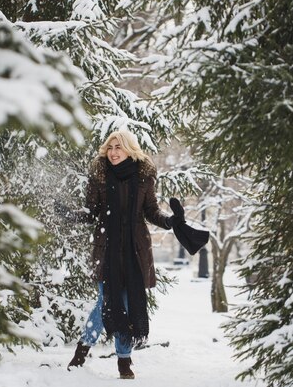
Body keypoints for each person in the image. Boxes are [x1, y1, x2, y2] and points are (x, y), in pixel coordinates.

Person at [63, 130, 208, 379]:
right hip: (107, 250)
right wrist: (71, 214)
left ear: (130, 149)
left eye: (118, 147)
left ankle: (123, 360)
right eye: (110, 147)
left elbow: (151, 211)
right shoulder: (99, 176)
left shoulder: (143, 177)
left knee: (127, 305)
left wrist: (170, 221)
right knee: (105, 303)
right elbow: (91, 212)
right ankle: (82, 351)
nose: (114, 152)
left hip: (134, 251)